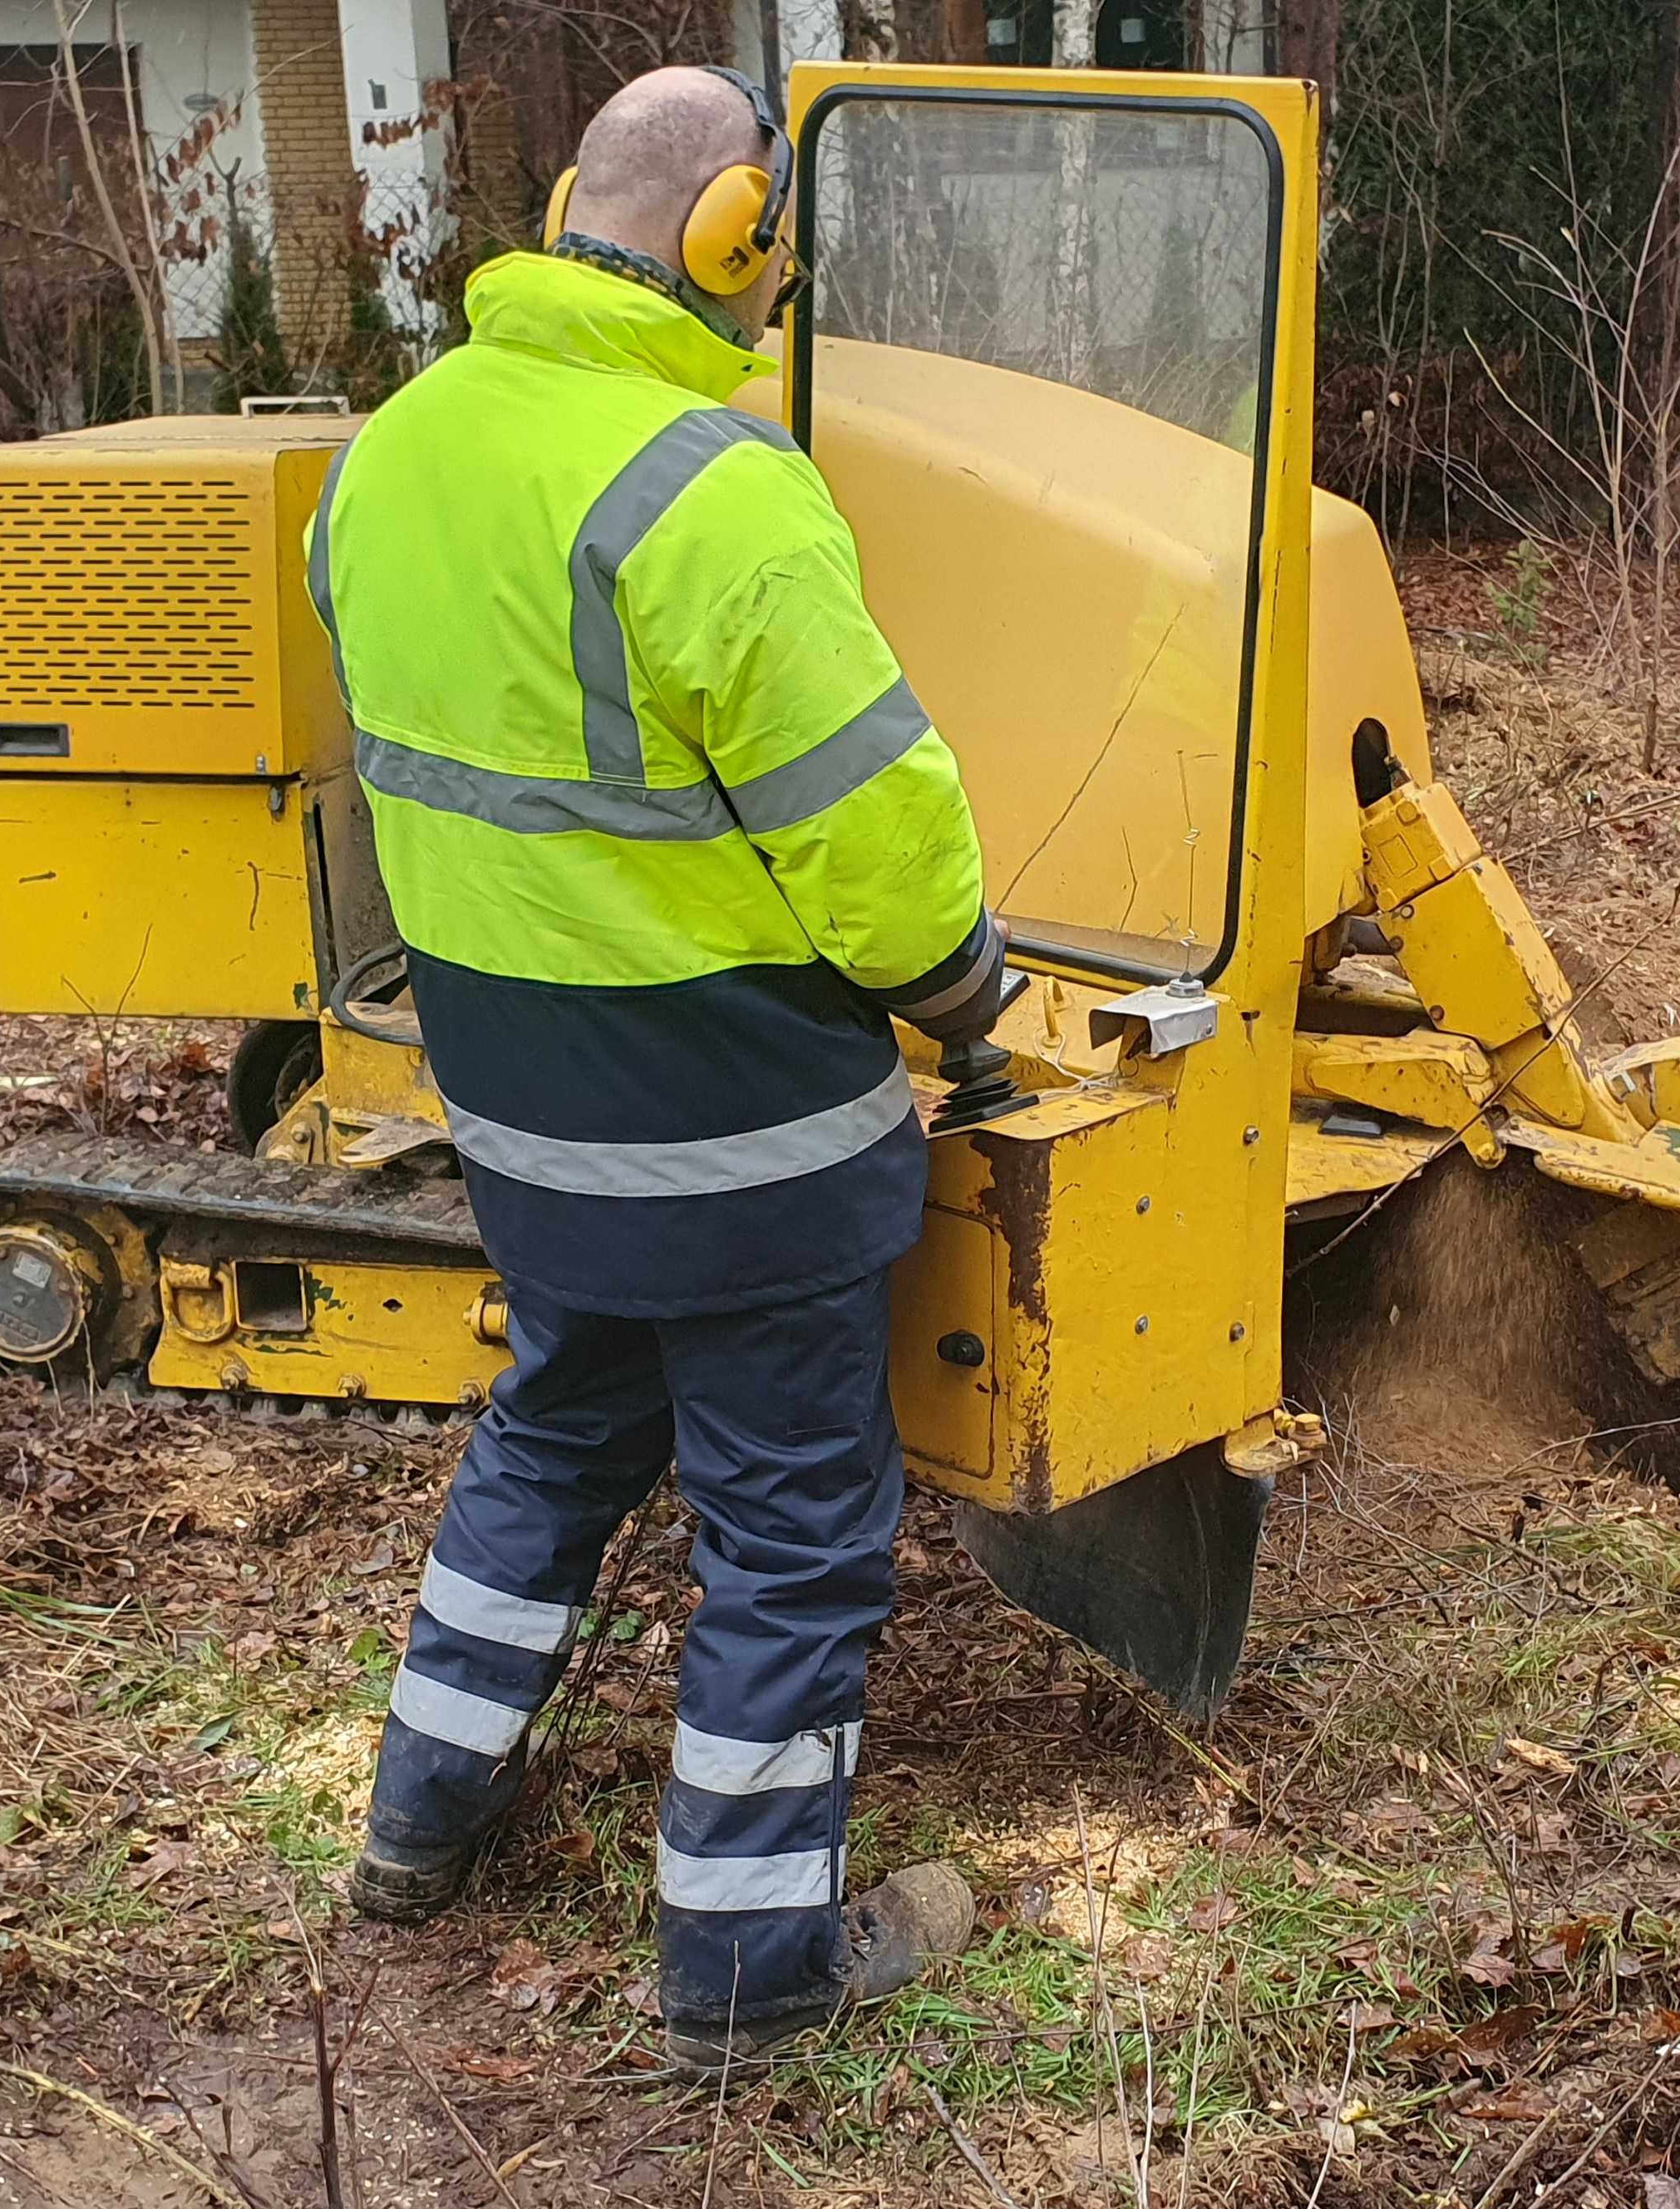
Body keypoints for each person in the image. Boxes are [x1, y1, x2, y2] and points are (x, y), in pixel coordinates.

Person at [310, 62, 1003, 2075]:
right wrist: (968, 1005)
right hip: (747, 1141)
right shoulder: (712, 487)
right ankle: (745, 1975)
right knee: (793, 1535)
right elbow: (877, 845)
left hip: (526, 1120)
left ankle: (417, 1830)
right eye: (768, 252)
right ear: (729, 239)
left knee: (553, 1436)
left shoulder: (391, 456)